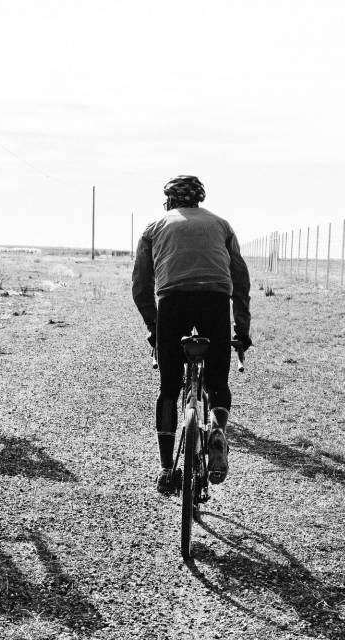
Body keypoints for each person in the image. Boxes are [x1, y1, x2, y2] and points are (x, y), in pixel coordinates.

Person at [132, 175, 251, 494]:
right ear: (199, 200)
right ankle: (217, 430)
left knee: (169, 389)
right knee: (218, 383)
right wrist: (242, 330)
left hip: (173, 304)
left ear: (169, 201)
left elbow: (141, 288)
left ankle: (166, 470)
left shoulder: (154, 227)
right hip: (214, 302)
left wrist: (155, 330)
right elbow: (240, 282)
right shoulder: (222, 225)